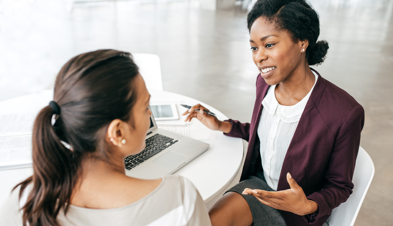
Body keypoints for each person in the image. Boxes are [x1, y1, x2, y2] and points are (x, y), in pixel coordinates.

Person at [183, 0, 364, 226]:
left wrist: (307, 205)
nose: (258, 57)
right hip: (259, 188)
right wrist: (222, 125)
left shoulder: (344, 112)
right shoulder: (265, 84)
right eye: (253, 47)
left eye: (269, 45)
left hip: (297, 214)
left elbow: (340, 186)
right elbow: (269, 134)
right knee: (205, 221)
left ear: (302, 42)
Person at [0, 49, 212, 226]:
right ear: (117, 132)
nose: (150, 114)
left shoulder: (24, 201)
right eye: (146, 106)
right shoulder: (180, 198)